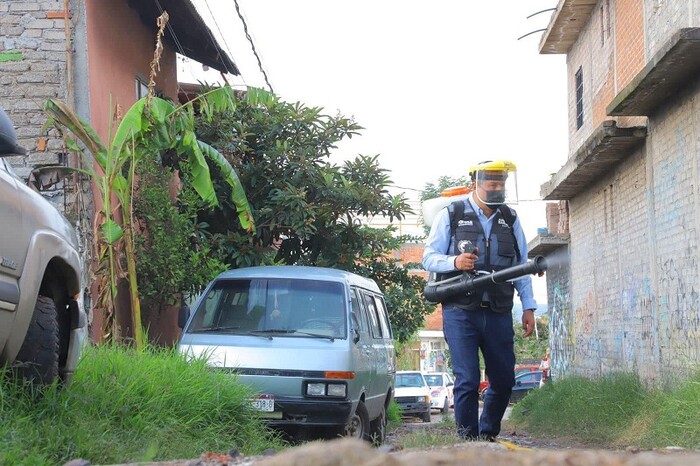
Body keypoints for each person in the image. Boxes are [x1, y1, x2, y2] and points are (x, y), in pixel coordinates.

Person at [422, 160, 538, 441]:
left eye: (501, 184)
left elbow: (520, 265)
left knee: (504, 380)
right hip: (461, 311)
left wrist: (529, 306)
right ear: (476, 183)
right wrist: (455, 261)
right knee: (468, 380)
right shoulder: (452, 214)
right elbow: (429, 257)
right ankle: (467, 440)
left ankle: (487, 435)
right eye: (492, 183)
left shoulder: (509, 218)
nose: (497, 188)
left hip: (498, 312)